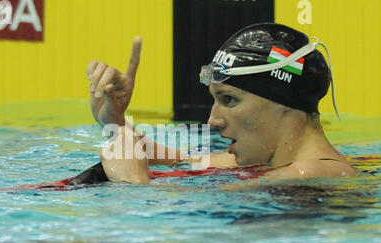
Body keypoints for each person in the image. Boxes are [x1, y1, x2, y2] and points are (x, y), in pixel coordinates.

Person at [86, 23, 355, 186]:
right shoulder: (267, 160)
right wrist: (114, 122)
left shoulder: (314, 174)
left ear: (283, 102)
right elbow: (179, 159)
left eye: (230, 100)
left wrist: (131, 185)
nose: (213, 120)